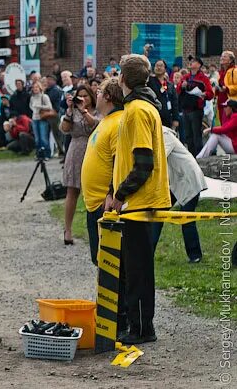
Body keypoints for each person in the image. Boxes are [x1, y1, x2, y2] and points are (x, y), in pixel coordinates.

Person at [109, 54, 171, 344]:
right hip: (139, 201)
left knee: (138, 271)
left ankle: (142, 328)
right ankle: (139, 325)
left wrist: (121, 193)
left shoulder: (137, 111)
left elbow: (143, 163)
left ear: (123, 79)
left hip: (140, 202)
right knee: (135, 268)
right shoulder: (143, 107)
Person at [81, 78, 125, 266]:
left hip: (105, 205)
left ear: (107, 96)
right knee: (99, 260)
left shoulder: (117, 122)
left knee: (110, 266)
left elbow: (119, 162)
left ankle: (118, 297)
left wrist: (111, 193)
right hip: (94, 204)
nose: (95, 94)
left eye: (98, 92)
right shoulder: (106, 120)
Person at [152, 126, 205, 263]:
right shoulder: (156, 135)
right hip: (177, 182)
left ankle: (195, 255)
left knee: (186, 217)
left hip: (188, 179)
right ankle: (148, 250)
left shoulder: (163, 135)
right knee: (158, 214)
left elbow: (157, 160)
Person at [60, 84, 98, 245]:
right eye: (79, 96)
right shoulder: (72, 111)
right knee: (72, 191)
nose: (83, 99)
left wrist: (84, 110)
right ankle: (67, 229)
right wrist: (69, 110)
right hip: (75, 151)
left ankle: (95, 230)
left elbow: (96, 125)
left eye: (86, 96)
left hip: (93, 150)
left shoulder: (98, 110)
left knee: (94, 192)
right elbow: (64, 129)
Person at [177, 57, 213, 155]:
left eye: (193, 62)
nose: (191, 63)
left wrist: (204, 94)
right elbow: (178, 90)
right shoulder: (186, 77)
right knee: (188, 136)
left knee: (197, 136)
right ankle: (191, 157)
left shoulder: (203, 78)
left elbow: (210, 94)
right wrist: (182, 86)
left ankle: (199, 158)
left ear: (199, 65)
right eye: (191, 61)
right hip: (185, 110)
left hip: (196, 110)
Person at [148, 60, 179, 130]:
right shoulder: (150, 81)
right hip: (153, 116)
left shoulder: (170, 85)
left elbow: (175, 103)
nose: (158, 67)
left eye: (161, 66)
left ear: (165, 69)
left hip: (167, 118)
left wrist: (175, 119)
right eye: (157, 65)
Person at [29, 80, 54, 160]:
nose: (35, 89)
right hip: (34, 118)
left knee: (43, 138)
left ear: (40, 88)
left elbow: (49, 107)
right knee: (37, 138)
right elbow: (31, 106)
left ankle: (47, 154)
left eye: (36, 87)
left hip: (42, 118)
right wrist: (34, 109)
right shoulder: (32, 97)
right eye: (34, 87)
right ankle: (39, 154)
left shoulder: (44, 97)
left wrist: (39, 106)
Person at [215, 51, 237, 124]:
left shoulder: (235, 71)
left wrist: (227, 88)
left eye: (225, 56)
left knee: (229, 126)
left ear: (230, 60)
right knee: (223, 124)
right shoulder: (221, 72)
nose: (222, 58)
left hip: (231, 104)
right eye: (222, 56)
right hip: (221, 103)